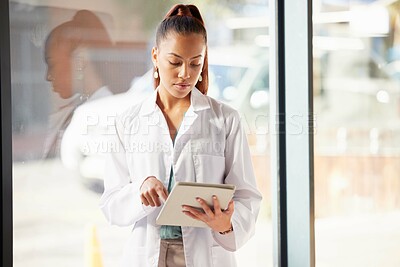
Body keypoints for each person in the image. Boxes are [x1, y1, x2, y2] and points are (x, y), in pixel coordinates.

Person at [100, 4, 262, 267]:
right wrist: (140, 189)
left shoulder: (225, 120)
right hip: (148, 254)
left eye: (195, 63)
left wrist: (225, 225)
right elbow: (111, 203)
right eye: (174, 62)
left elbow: (247, 196)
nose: (186, 74)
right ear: (155, 56)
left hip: (207, 253)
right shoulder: (128, 121)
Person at [43, 10, 113, 158]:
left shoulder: (102, 114)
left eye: (52, 63)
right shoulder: (82, 109)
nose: (48, 76)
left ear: (80, 60)